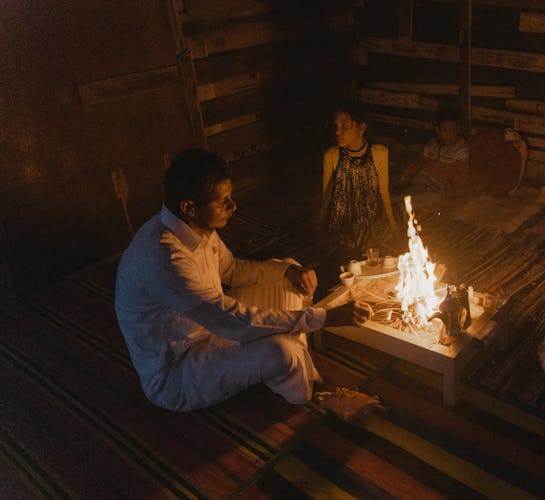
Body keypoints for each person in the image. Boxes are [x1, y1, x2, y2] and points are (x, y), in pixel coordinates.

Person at [115, 148, 370, 412]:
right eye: (223, 201)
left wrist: (285, 272)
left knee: (290, 272)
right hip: (180, 370)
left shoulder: (195, 227)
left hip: (213, 325)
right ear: (189, 207)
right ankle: (309, 393)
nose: (233, 207)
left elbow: (233, 270)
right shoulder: (164, 260)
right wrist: (324, 318)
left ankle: (288, 361)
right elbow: (232, 320)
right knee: (282, 351)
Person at [320, 101, 398, 262]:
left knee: (376, 265)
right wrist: (321, 221)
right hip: (346, 228)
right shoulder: (332, 156)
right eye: (336, 127)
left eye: (344, 126)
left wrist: (392, 225)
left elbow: (383, 191)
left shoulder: (379, 153)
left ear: (361, 128)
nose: (338, 132)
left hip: (372, 224)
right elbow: (327, 194)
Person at [401, 108, 471, 196]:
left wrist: (457, 190)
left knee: (427, 190)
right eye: (445, 130)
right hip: (425, 179)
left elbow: (461, 172)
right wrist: (409, 172)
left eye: (453, 130)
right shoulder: (432, 144)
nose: (449, 134)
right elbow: (422, 162)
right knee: (416, 183)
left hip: (443, 184)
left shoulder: (460, 148)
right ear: (437, 130)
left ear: (458, 129)